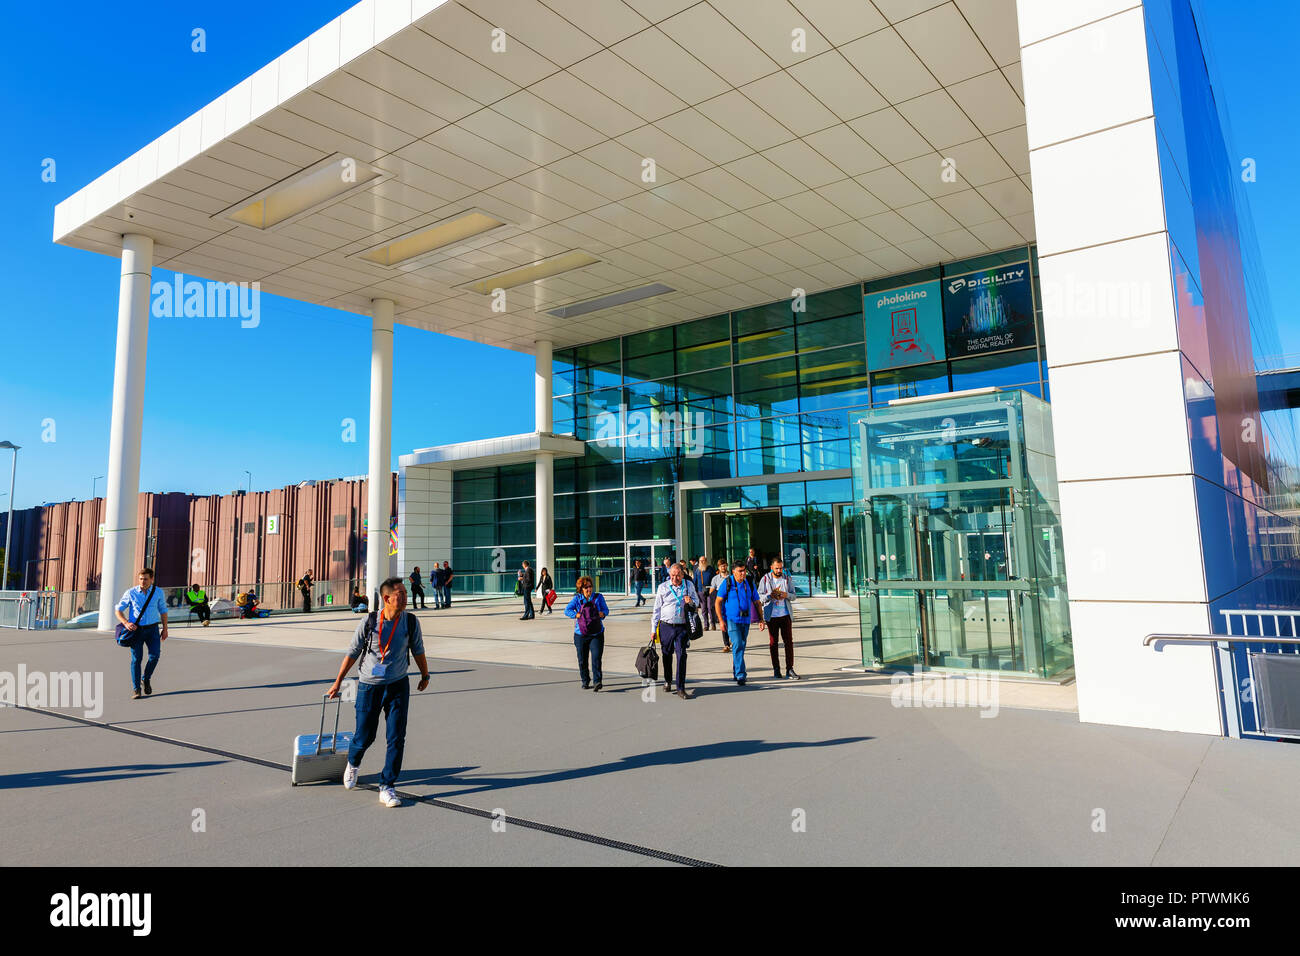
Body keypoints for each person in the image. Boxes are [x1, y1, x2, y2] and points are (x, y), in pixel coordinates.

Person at [327, 577, 430, 808]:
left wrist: (425, 675)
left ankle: (387, 786)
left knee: (396, 737)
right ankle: (353, 763)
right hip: (368, 686)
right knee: (365, 736)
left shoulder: (411, 622)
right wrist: (338, 682)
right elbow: (352, 653)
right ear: (387, 598)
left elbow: (418, 650)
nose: (405, 598)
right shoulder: (369, 621)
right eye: (400, 594)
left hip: (398, 685)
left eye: (405, 593)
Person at [114, 567, 169, 700]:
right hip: (136, 630)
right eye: (140, 579)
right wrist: (126, 623)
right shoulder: (131, 592)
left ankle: (146, 678)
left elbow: (163, 611)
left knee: (154, 656)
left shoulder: (158, 592)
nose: (142, 581)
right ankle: (136, 689)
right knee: (136, 659)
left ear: (151, 579)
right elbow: (118, 610)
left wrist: (165, 629)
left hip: (153, 630)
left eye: (145, 579)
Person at [650, 560, 700, 700]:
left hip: (682, 626)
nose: (675, 578)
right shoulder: (663, 587)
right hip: (666, 625)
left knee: (681, 655)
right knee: (666, 654)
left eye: (677, 575)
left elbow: (697, 603)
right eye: (672, 575)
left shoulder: (688, 585)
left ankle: (681, 687)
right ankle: (667, 680)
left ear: (682, 575)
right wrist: (653, 629)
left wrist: (690, 601)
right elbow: (657, 609)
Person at [716, 557, 765, 686]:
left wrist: (761, 619)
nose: (743, 573)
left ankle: (736, 671)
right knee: (737, 644)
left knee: (741, 646)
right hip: (732, 620)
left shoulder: (749, 582)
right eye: (740, 571)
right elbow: (717, 602)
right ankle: (741, 675)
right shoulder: (727, 583)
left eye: (744, 571)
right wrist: (721, 620)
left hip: (746, 620)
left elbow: (757, 602)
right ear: (733, 571)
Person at [758, 557, 800, 680]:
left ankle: (789, 669)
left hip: (785, 615)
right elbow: (759, 596)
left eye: (781, 568)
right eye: (776, 568)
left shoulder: (787, 579)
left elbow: (794, 596)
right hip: (772, 616)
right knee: (773, 643)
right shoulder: (765, 579)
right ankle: (776, 669)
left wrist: (786, 595)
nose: (779, 570)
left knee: (788, 643)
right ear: (771, 567)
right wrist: (770, 596)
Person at [565, 576, 609, 690]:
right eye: (586, 587)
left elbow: (606, 610)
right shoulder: (577, 599)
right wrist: (576, 615)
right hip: (581, 634)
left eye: (590, 586)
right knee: (582, 659)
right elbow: (567, 610)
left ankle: (597, 681)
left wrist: (602, 614)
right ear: (581, 589)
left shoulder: (598, 597)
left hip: (597, 633)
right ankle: (585, 680)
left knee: (596, 657)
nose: (589, 589)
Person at [713, 560, 732, 649]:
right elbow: (712, 591)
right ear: (718, 567)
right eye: (721, 566)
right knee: (723, 622)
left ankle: (732, 638)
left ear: (727, 566)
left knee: (731, 622)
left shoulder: (732, 577)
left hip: (731, 602)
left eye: (724, 566)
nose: (723, 567)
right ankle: (726, 644)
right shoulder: (715, 579)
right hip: (721, 603)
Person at [691, 557, 714, 629]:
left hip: (710, 590)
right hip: (701, 591)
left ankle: (713, 624)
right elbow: (694, 582)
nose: (702, 562)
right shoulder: (697, 570)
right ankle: (706, 625)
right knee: (704, 609)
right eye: (701, 561)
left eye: (703, 560)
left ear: (706, 561)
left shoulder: (710, 569)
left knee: (710, 608)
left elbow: (714, 579)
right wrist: (695, 592)